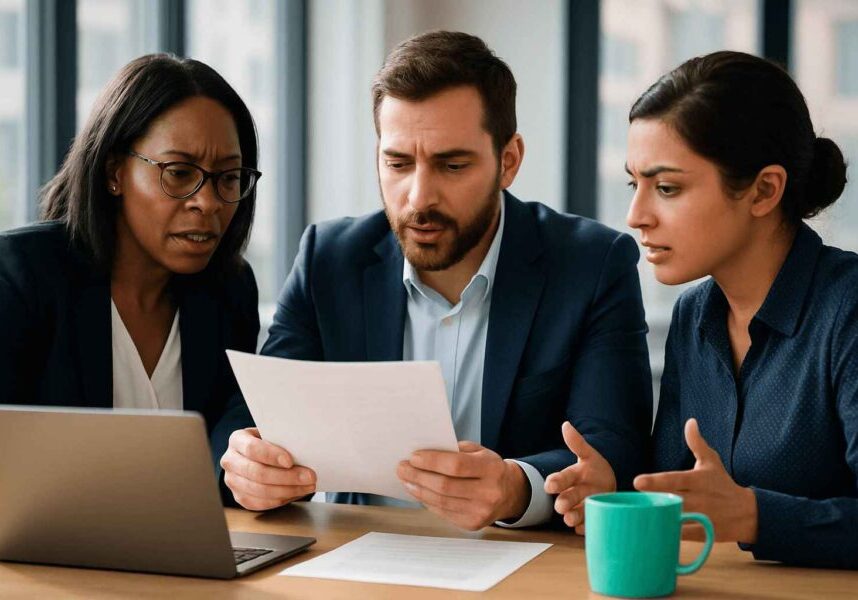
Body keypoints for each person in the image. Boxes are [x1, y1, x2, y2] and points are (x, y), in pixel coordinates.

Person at [220, 31, 652, 530]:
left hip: (519, 562)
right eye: (398, 163)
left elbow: (614, 448)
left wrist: (517, 487)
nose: (419, 197)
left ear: (508, 161)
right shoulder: (328, 259)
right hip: (353, 560)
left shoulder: (591, 264)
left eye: (452, 164)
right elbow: (256, 419)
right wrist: (247, 466)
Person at [553, 50, 857, 569]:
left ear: (764, 190)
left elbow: (729, 511)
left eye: (666, 188)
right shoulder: (695, 315)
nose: (635, 216)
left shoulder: (847, 309)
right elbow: (686, 496)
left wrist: (754, 516)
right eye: (635, 184)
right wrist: (615, 488)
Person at [0, 54, 262, 479]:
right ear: (114, 172)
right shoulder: (21, 277)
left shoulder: (229, 291)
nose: (208, 202)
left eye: (228, 178)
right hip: (43, 543)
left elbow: (227, 458)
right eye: (179, 172)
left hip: (191, 540)